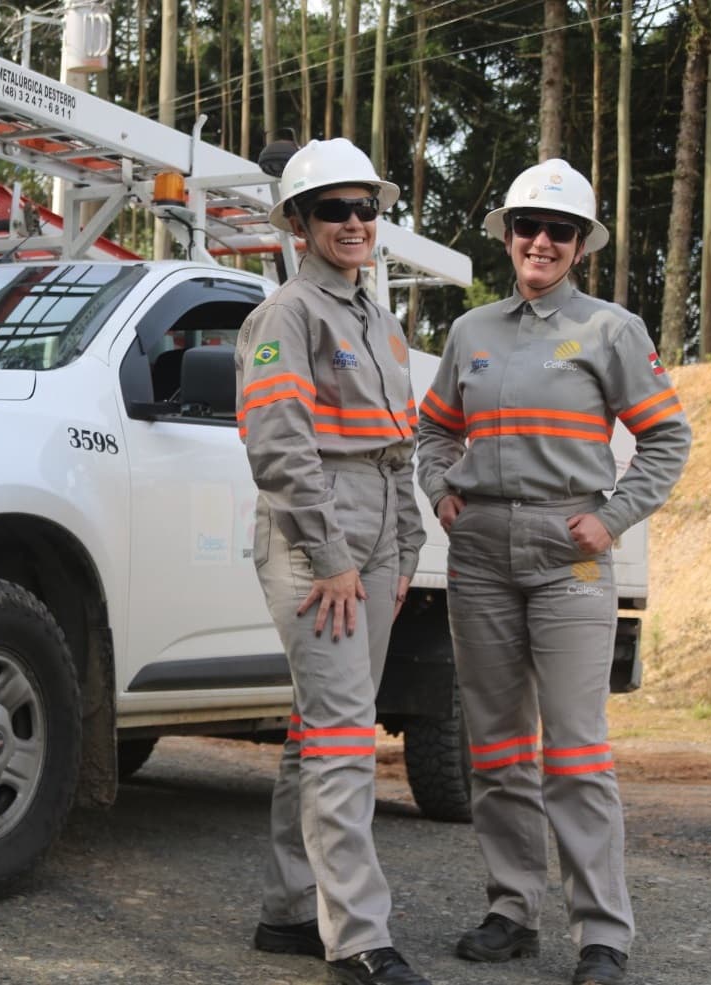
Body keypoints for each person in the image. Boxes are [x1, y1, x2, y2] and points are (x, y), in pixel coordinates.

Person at [415, 158, 691, 985]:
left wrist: (607, 520)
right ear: (506, 235)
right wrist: (440, 490)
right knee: (496, 749)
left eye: (558, 231)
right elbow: (432, 432)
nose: (540, 241)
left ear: (579, 246)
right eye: (527, 226)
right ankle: (510, 909)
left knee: (574, 752)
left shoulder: (612, 330)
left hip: (568, 554)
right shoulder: (471, 332)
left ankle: (602, 932)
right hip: (479, 552)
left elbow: (667, 438)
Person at [236, 138, 431, 985]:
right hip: (319, 531)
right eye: (332, 210)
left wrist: (407, 545)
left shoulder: (378, 319)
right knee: (346, 735)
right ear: (297, 223)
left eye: (365, 208)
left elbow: (399, 443)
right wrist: (327, 554)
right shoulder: (287, 314)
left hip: (380, 529)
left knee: (319, 728)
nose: (353, 223)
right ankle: (356, 937)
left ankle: (288, 909)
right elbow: (278, 446)